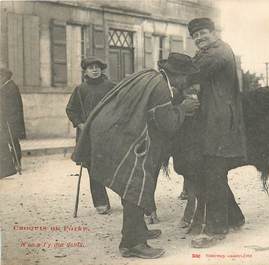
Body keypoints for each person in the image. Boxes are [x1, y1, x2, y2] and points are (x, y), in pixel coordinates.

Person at [72, 53, 200, 259]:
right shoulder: (160, 88)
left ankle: (138, 229)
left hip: (109, 131)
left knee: (132, 184)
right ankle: (132, 244)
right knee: (135, 184)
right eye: (187, 77)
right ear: (178, 75)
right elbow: (166, 123)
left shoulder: (151, 76)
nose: (187, 82)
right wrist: (182, 109)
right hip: (118, 136)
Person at [187, 17, 247, 248]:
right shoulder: (209, 52)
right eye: (195, 36)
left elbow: (192, 73)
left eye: (203, 33)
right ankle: (235, 218)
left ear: (214, 32)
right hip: (213, 118)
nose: (199, 38)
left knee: (213, 171)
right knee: (212, 170)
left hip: (220, 120)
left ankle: (216, 230)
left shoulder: (219, 52)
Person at [66, 57, 115, 214]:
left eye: (97, 67)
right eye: (91, 67)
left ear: (102, 70)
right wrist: (80, 124)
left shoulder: (112, 87)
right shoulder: (80, 89)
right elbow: (71, 110)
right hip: (88, 136)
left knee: (116, 166)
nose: (95, 70)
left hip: (109, 133)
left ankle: (128, 201)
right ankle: (101, 202)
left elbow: (121, 105)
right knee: (93, 168)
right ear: (85, 71)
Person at [0, 67, 26, 178]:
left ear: (5, 76)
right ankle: (13, 162)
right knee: (10, 141)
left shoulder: (10, 87)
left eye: (1, 76)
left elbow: (13, 105)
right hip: (7, 119)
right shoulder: (5, 86)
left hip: (11, 119)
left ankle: (17, 162)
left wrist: (8, 117)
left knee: (13, 141)